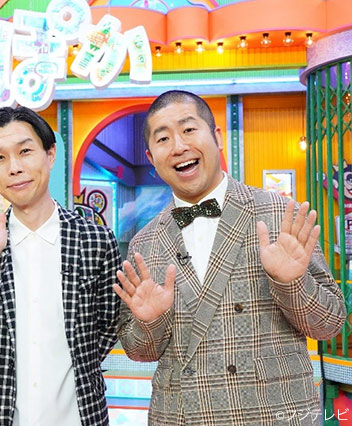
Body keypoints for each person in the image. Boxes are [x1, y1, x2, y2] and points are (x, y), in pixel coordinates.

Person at [114, 90, 346, 425]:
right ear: (151, 158)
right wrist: (151, 321)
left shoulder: (279, 213)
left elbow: (330, 324)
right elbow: (138, 351)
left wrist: (292, 282)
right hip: (181, 416)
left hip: (274, 415)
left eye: (189, 129)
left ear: (218, 137)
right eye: (163, 138)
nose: (179, 146)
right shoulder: (144, 243)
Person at [0, 106, 121, 426]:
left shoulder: (95, 240)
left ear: (50, 154)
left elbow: (109, 325)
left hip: (80, 416)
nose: (14, 168)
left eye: (25, 151)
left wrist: (77, 366)